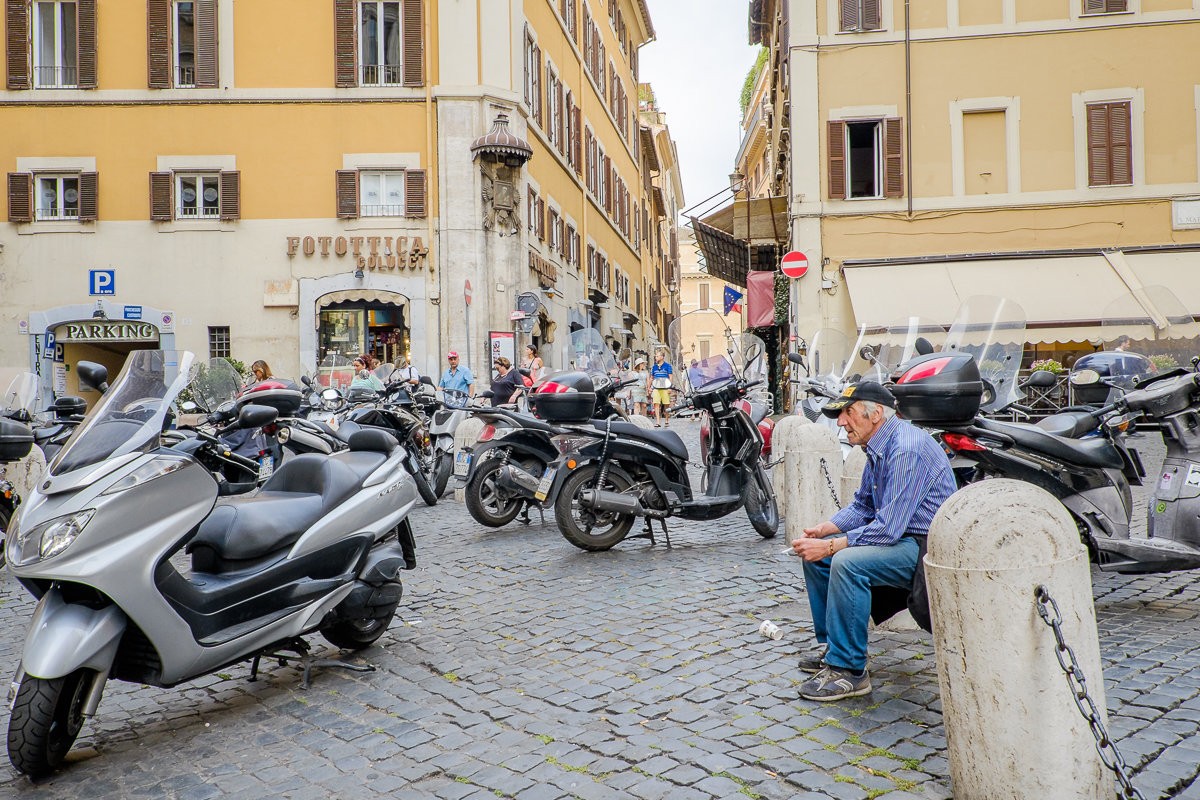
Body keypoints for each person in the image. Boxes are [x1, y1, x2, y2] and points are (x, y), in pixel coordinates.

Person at [791, 381, 956, 702]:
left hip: (926, 547)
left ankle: (850, 671)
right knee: (819, 558)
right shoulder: (879, 446)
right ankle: (834, 648)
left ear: (876, 413)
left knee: (844, 561)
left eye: (848, 413)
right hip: (903, 539)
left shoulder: (906, 448)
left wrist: (831, 546)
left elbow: (888, 529)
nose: (841, 422)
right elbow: (863, 506)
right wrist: (825, 529)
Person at [649, 349, 674, 427]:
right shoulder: (654, 367)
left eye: (657, 356)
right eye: (655, 356)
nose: (656, 357)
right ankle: (658, 422)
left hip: (665, 388)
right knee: (656, 404)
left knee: (666, 404)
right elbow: (651, 378)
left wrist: (670, 387)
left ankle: (666, 420)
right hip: (656, 387)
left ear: (662, 357)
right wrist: (649, 387)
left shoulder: (668, 366)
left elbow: (670, 376)